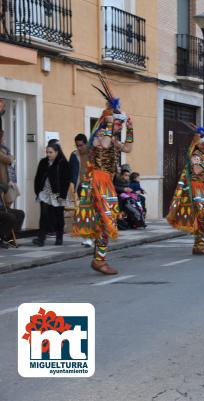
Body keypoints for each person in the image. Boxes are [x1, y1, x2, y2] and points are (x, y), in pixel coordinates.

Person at [72, 76, 134, 274]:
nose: (120, 126)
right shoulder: (101, 135)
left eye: (121, 124)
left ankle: (99, 259)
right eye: (119, 123)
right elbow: (105, 144)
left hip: (107, 182)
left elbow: (128, 148)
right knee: (106, 220)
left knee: (106, 221)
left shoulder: (113, 137)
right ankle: (99, 260)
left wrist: (130, 129)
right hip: (97, 181)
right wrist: (108, 123)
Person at [167, 126, 204, 255]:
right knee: (203, 216)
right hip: (194, 188)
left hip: (202, 188)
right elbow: (197, 170)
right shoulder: (196, 154)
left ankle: (199, 245)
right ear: (200, 144)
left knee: (203, 218)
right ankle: (199, 245)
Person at [33, 142, 71, 246]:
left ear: (57, 152)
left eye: (51, 152)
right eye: (47, 152)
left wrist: (62, 196)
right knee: (44, 215)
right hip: (45, 193)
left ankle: (59, 237)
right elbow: (37, 178)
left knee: (58, 215)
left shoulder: (63, 163)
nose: (48, 154)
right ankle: (41, 238)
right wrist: (37, 191)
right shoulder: (43, 162)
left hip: (58, 194)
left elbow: (66, 180)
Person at [69, 133, 93, 247]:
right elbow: (72, 173)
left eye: (81, 145)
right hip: (82, 187)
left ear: (86, 144)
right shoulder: (74, 155)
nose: (79, 148)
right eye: (77, 145)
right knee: (85, 213)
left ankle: (95, 236)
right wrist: (72, 187)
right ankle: (87, 238)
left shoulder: (93, 154)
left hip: (94, 187)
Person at [0, 183, 24, 248]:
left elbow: (5, 187)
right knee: (10, 217)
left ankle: (10, 238)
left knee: (20, 213)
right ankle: (1, 239)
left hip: (2, 208)